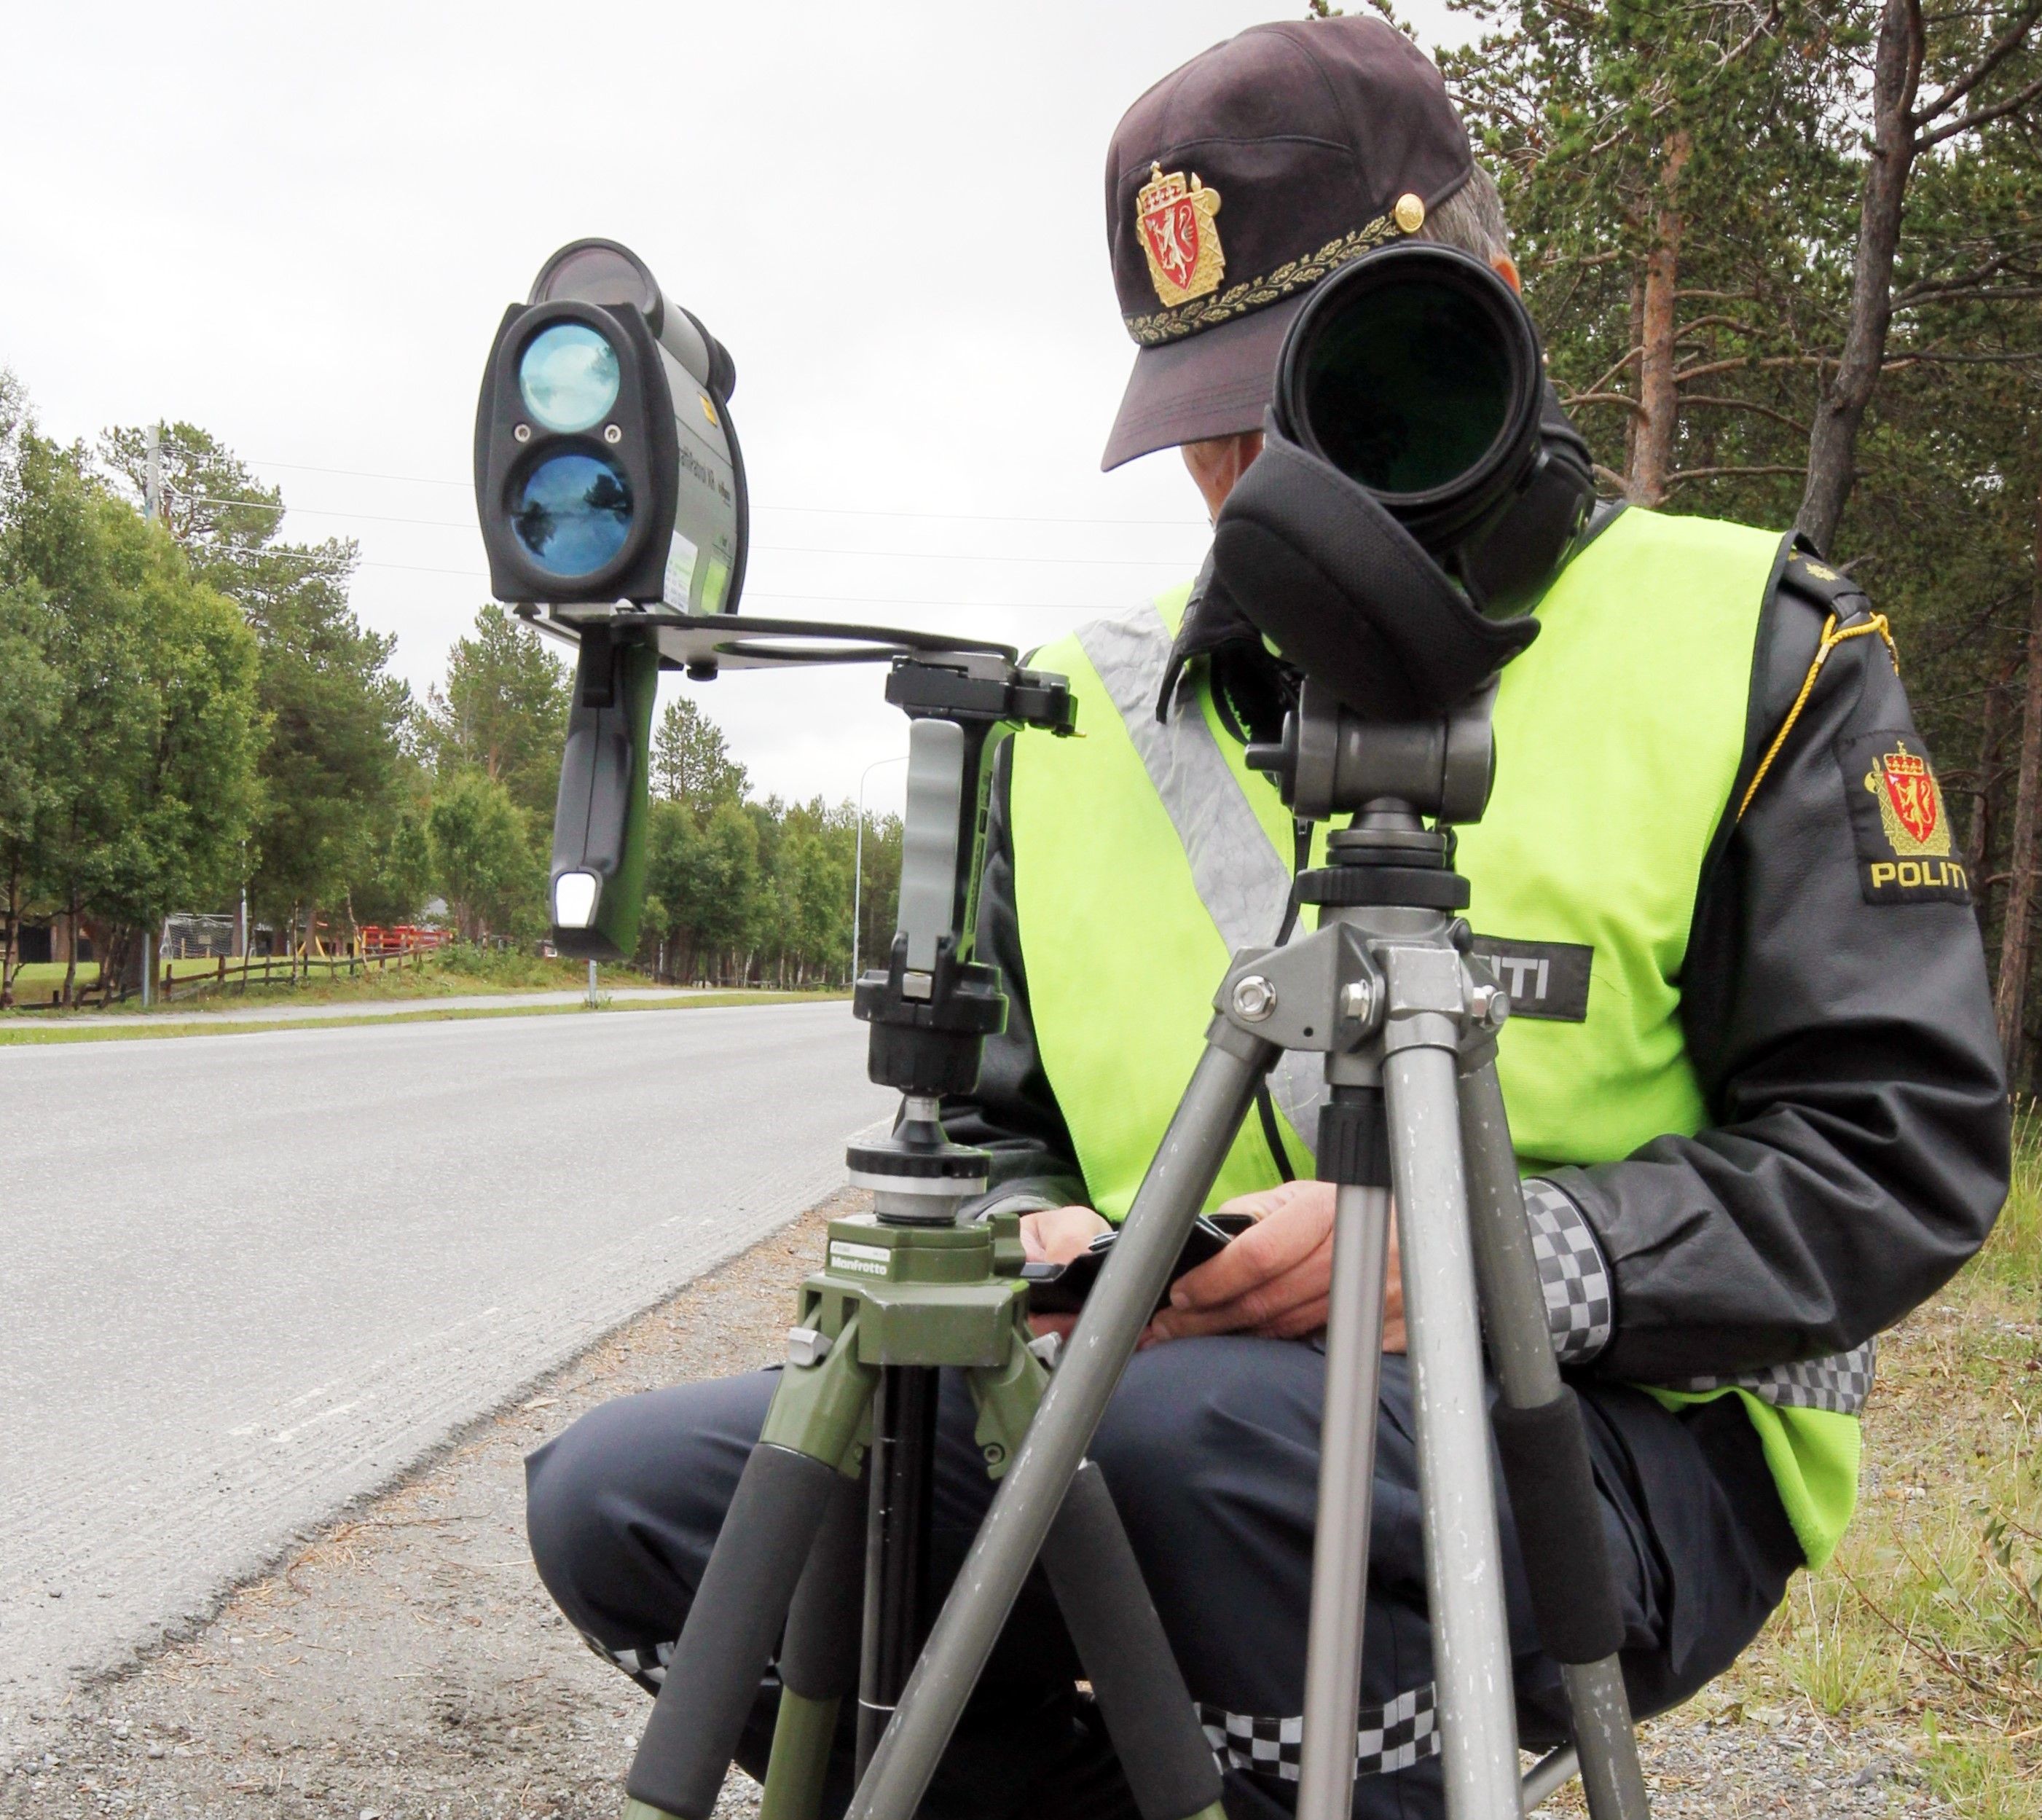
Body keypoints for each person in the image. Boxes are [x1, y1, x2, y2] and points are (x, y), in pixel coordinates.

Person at [524, 17, 2008, 1818]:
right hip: (1142, 1404)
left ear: (1479, 310)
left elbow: (1898, 1149)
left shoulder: (1753, 650)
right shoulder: (1077, 715)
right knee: (628, 1500)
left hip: (1630, 1437)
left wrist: (1478, 1265)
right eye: (1202, 417)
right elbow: (995, 1130)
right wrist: (1037, 1253)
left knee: (1189, 1444)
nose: (1244, 473)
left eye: (1302, 395)